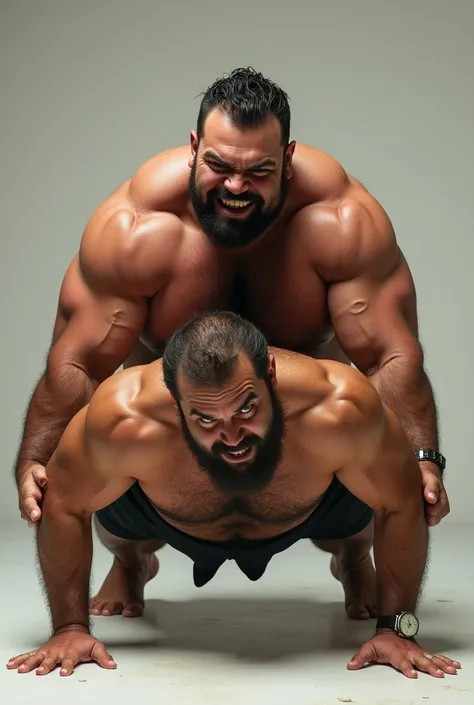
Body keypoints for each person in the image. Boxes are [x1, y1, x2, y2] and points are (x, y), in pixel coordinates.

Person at [14, 68, 448, 530]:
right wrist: (35, 461)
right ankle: (131, 563)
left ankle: (352, 560)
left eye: (259, 171)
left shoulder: (340, 222)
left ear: (289, 158)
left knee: (364, 439)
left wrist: (424, 460)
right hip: (172, 447)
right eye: (218, 166)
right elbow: (80, 362)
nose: (236, 187)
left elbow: (389, 356)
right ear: (193, 147)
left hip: (305, 446)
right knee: (110, 440)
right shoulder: (137, 229)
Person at [7, 313, 459, 679]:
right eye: (204, 418)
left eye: (246, 407)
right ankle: (131, 564)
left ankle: (354, 562)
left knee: (383, 486)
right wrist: (68, 628)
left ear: (271, 374)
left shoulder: (339, 404)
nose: (231, 436)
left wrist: (399, 630)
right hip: (164, 513)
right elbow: (64, 502)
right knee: (88, 491)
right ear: (174, 396)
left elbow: (400, 500)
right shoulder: (124, 415)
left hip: (313, 508)